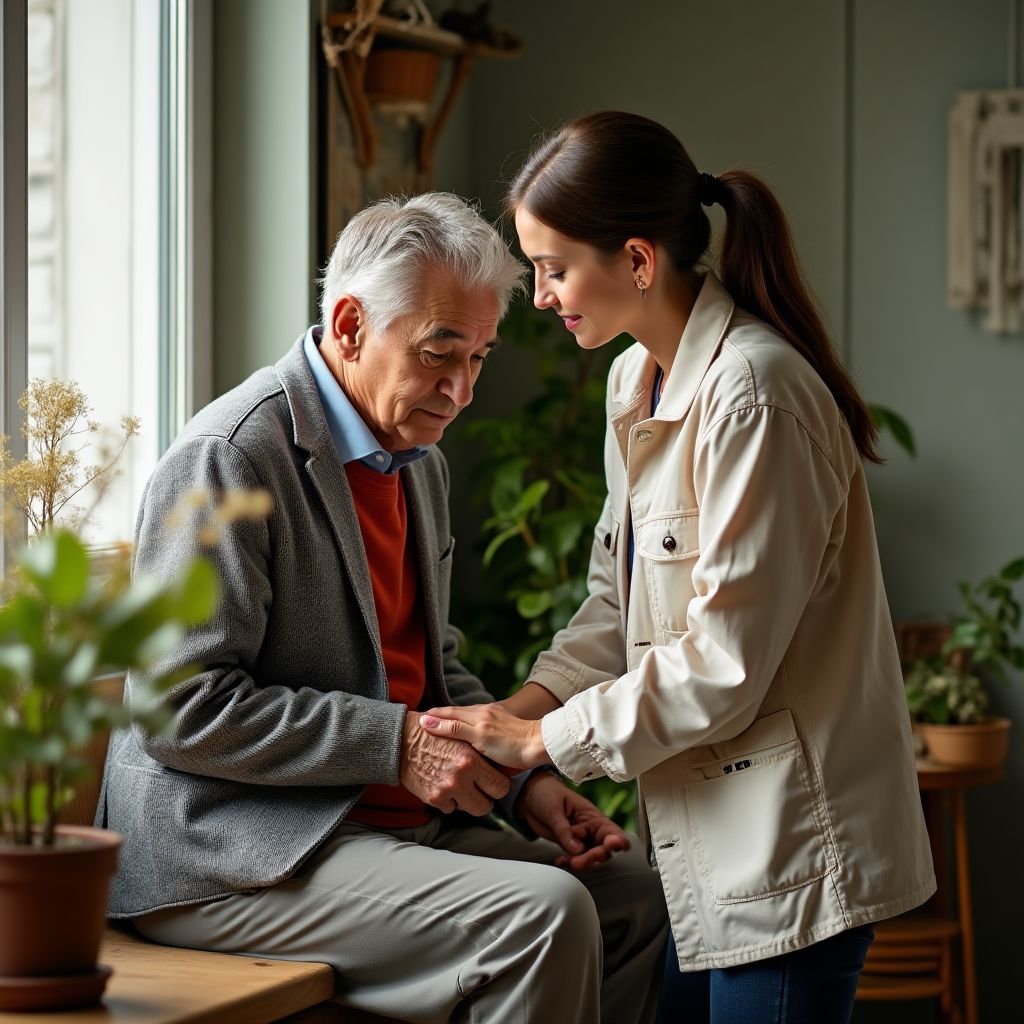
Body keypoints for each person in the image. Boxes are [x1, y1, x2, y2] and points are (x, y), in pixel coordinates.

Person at [96, 191, 667, 1024]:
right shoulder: (230, 456)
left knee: (635, 898)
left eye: (479, 358)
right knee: (542, 917)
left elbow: (434, 668)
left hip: (373, 826)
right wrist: (393, 743)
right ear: (354, 326)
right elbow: (177, 707)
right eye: (441, 353)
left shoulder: (415, 460)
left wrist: (523, 784)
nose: (461, 390)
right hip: (227, 850)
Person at [418, 112, 937, 1024]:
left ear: (639, 260)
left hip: (788, 860)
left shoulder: (754, 395)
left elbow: (723, 665)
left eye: (554, 267)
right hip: (705, 859)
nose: (540, 296)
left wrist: (544, 745)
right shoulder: (636, 380)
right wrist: (513, 715)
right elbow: (617, 604)